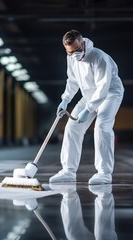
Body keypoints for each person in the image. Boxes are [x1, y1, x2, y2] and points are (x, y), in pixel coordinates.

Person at [49, 29, 124, 185]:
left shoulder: (99, 57)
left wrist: (89, 110)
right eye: (70, 52)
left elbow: (103, 89)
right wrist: (65, 99)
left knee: (102, 127)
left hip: (110, 93)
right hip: (89, 95)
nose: (74, 54)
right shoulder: (71, 57)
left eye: (76, 50)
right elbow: (73, 81)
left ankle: (104, 173)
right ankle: (68, 172)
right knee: (72, 128)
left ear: (82, 43)